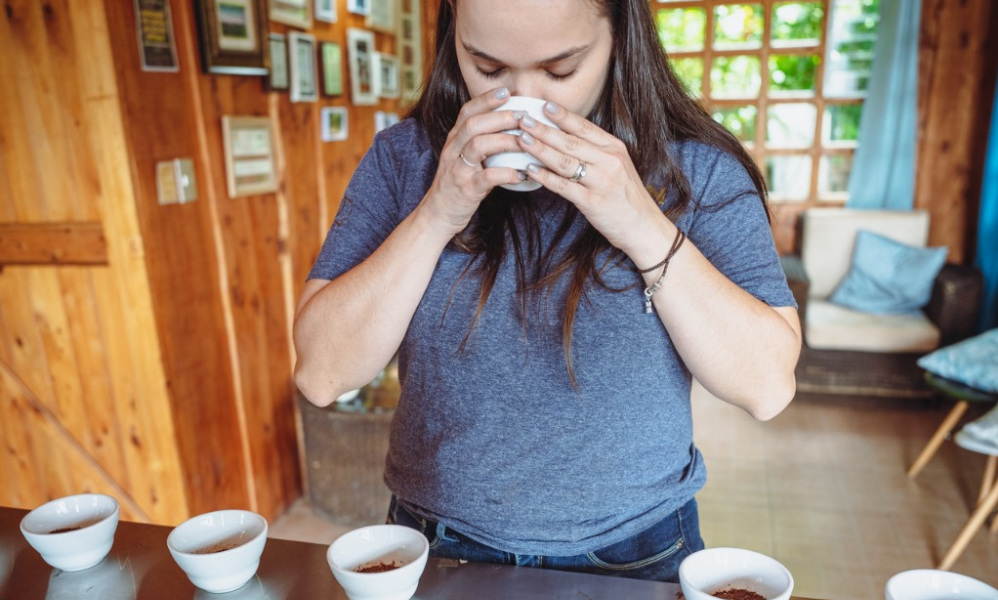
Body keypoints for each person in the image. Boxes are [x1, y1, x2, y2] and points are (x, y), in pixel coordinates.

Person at [293, 0, 802, 583]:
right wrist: (438, 212)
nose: (521, 102)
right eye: (485, 66)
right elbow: (321, 373)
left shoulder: (697, 168)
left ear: (620, 38)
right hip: (438, 542)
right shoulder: (405, 160)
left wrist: (639, 222)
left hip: (636, 552)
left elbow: (766, 386)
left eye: (560, 71)